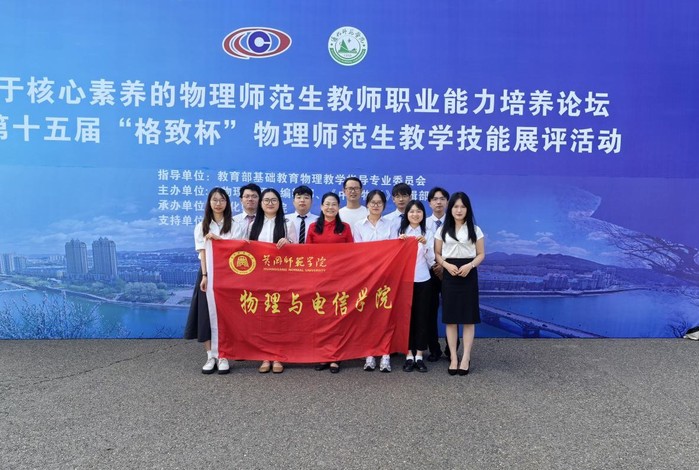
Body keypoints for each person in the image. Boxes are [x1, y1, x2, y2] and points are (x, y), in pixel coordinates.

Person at [184, 187, 238, 375]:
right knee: (205, 314)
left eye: (222, 200)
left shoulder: (235, 225)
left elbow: (238, 250)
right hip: (208, 273)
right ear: (209, 203)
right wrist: (205, 275)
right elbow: (203, 253)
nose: (218, 203)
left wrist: (218, 240)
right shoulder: (201, 226)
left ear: (227, 203)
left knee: (226, 315)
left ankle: (223, 356)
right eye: (214, 200)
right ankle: (210, 356)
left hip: (229, 275)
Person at [434, 192, 485, 376]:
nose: (459, 210)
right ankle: (454, 358)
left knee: (468, 319)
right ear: (451, 209)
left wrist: (470, 266)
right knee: (451, 319)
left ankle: (465, 357)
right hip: (450, 274)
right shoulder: (442, 230)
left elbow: (481, 254)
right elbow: (437, 253)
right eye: (455, 206)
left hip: (468, 273)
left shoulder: (475, 230)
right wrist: (446, 265)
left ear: (467, 209)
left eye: (463, 206)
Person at [247, 188, 297, 374]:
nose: (270, 203)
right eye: (266, 200)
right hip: (260, 278)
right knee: (262, 317)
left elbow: (298, 252)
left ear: (279, 203)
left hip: (281, 277)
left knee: (279, 317)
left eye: (274, 200)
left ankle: (278, 356)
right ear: (261, 204)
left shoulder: (287, 224)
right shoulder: (253, 225)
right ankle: (265, 356)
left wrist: (288, 244)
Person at [307, 192, 354, 373]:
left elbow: (352, 253)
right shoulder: (313, 227)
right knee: (321, 317)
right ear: (321, 207)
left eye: (334, 204)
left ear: (338, 207)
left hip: (339, 278)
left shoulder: (345, 227)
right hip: (319, 279)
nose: (330, 207)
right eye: (327, 204)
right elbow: (307, 254)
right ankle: (323, 355)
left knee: (337, 316)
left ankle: (336, 357)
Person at [352, 189, 395, 372]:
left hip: (387, 276)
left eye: (379, 203)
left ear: (384, 205)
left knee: (385, 315)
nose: (376, 205)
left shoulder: (391, 225)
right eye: (373, 202)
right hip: (367, 277)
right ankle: (369, 354)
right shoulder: (358, 225)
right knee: (368, 315)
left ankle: (385, 355)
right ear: (367, 204)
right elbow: (358, 252)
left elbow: (394, 250)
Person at [398, 200, 434, 373]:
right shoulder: (399, 231)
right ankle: (408, 354)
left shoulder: (428, 232)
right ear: (406, 214)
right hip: (404, 281)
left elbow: (432, 261)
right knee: (406, 318)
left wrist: (426, 244)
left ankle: (419, 355)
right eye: (411, 211)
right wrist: (399, 244)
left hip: (423, 279)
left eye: (419, 211)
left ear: (423, 214)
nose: (415, 214)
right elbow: (393, 258)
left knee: (421, 317)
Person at [425, 187, 450, 362]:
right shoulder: (423, 223)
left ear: (447, 202)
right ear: (429, 203)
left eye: (442, 199)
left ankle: (451, 350)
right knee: (429, 311)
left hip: (450, 271)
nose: (438, 202)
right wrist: (434, 265)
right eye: (435, 199)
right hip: (429, 272)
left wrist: (443, 265)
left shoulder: (455, 223)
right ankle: (434, 349)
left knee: (451, 312)